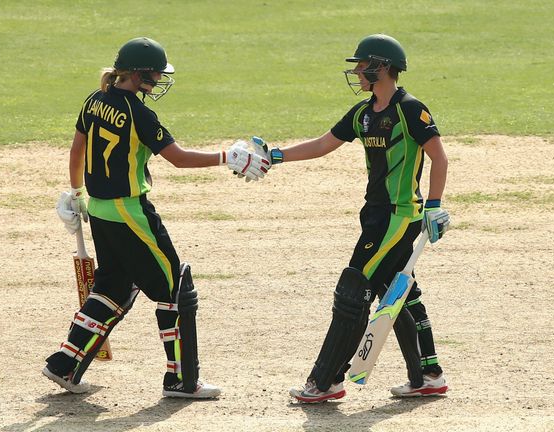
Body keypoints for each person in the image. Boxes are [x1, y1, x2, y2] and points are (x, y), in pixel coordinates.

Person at [43, 36, 270, 398]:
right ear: (139, 74)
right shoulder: (139, 113)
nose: (160, 79)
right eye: (156, 74)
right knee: (175, 289)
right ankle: (181, 379)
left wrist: (75, 193)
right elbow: (178, 158)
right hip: (130, 212)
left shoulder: (94, 99)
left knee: (113, 288)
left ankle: (64, 364)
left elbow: (77, 149)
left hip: (99, 210)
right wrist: (227, 157)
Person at [258, 34, 450, 402]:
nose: (358, 72)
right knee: (399, 294)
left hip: (399, 217)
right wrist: (276, 155)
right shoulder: (363, 113)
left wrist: (433, 205)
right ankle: (428, 375)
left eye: (363, 65)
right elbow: (322, 144)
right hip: (374, 216)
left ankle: (327, 380)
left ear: (383, 67)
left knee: (354, 290)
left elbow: (438, 157)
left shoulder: (411, 109)